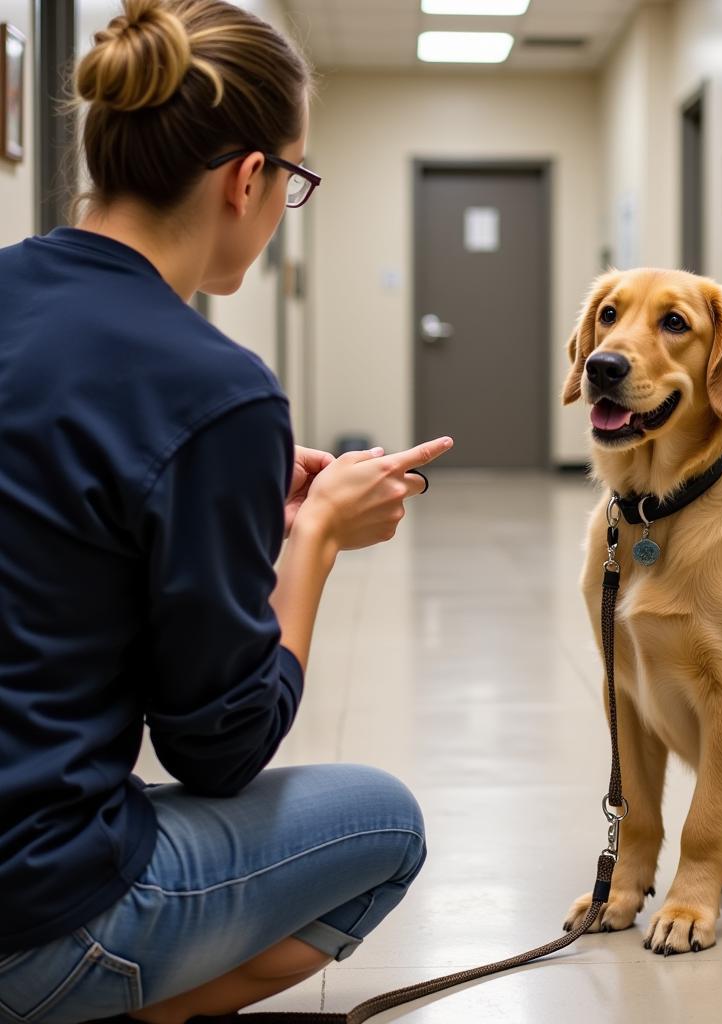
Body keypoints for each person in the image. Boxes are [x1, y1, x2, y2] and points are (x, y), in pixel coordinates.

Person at [0, 2, 452, 1021]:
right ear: (249, 178)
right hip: (32, 924)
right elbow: (216, 748)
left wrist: (226, 491)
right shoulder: (214, 386)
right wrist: (315, 542)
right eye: (293, 179)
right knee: (386, 824)